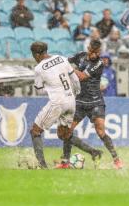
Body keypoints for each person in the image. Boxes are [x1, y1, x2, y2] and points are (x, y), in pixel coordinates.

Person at [58, 39, 123, 169]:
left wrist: (69, 68)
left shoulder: (99, 63)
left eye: (97, 53)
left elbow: (81, 76)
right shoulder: (81, 55)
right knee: (67, 132)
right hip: (80, 102)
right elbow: (66, 61)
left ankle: (116, 159)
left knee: (100, 131)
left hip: (95, 102)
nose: (94, 55)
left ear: (100, 52)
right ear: (88, 48)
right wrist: (61, 63)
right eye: (92, 52)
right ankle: (65, 162)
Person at [30, 41, 81, 169]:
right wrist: (76, 94)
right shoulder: (62, 58)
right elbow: (75, 79)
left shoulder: (39, 68)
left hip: (57, 103)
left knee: (35, 131)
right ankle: (93, 151)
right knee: (64, 135)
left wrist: (47, 84)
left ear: (36, 54)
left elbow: (39, 90)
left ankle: (42, 166)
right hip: (71, 100)